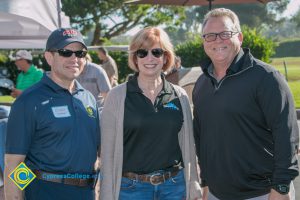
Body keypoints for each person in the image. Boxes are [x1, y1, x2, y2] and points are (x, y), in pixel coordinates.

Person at [192, 8, 299, 200]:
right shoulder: (202, 84)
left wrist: (281, 187)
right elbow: (202, 138)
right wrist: (206, 182)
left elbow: (287, 135)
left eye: (225, 34)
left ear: (239, 37)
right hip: (216, 193)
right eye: (210, 36)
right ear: (204, 42)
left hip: (263, 193)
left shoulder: (266, 78)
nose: (217, 40)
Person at [100, 26, 201, 200]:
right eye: (142, 53)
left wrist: (193, 185)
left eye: (156, 52)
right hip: (131, 189)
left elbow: (189, 147)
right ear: (135, 58)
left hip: (174, 188)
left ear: (165, 58)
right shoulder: (117, 96)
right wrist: (106, 194)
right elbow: (107, 154)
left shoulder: (180, 95)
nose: (150, 58)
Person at [4, 28, 100, 200]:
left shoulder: (88, 99)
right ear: (49, 57)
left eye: (80, 53)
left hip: (86, 193)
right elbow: (14, 163)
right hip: (45, 192)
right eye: (65, 52)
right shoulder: (29, 101)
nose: (74, 59)